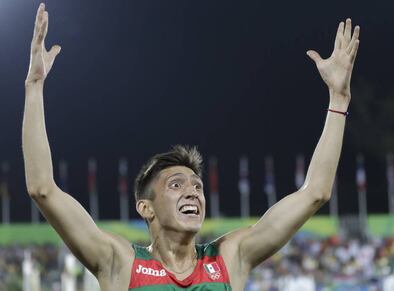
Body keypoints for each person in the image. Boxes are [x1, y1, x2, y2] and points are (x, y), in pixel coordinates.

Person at [23, 3, 360, 290]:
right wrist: (35, 87)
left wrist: (338, 99)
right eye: (176, 185)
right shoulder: (119, 263)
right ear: (146, 208)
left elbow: (315, 192)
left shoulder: (230, 257)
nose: (193, 193)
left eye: (197, 186)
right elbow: (42, 189)